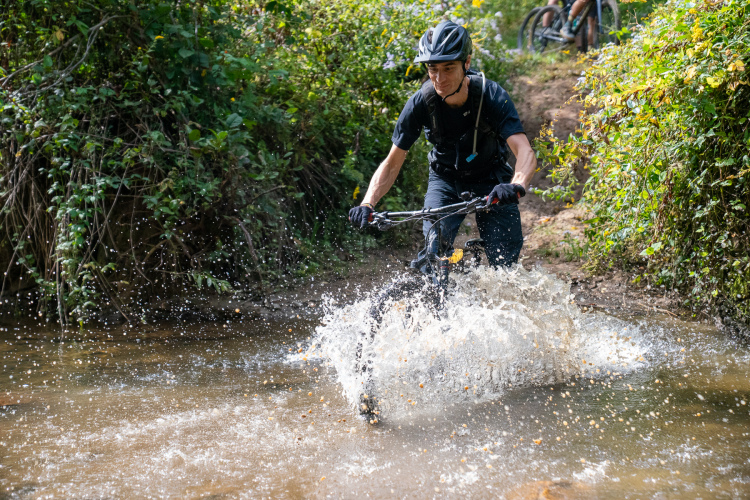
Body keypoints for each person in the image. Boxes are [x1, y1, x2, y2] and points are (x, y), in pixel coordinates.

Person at [348, 21, 536, 270]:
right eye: (433, 68)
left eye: (449, 68)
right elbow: (393, 162)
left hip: (492, 180)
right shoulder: (421, 102)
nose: (440, 78)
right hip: (445, 180)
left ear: (466, 63)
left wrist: (516, 185)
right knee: (432, 255)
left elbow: (524, 151)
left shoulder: (491, 95)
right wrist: (367, 203)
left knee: (505, 264)